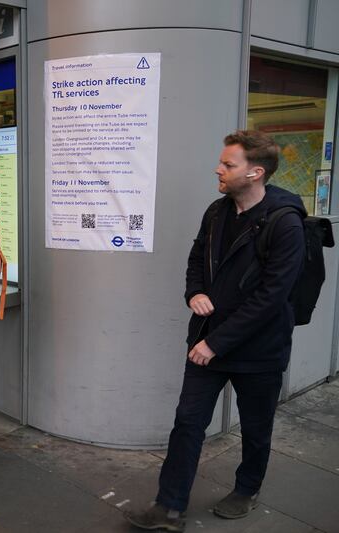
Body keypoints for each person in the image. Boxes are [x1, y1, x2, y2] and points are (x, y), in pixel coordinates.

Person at [124, 130, 306, 531]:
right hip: (206, 341)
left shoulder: (285, 223)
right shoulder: (217, 211)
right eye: (221, 162)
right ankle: (169, 507)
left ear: (256, 172)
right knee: (188, 422)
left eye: (228, 164)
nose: (218, 169)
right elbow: (195, 258)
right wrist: (195, 292)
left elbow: (272, 297)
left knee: (256, 427)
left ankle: (247, 488)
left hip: (258, 350)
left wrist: (216, 342)